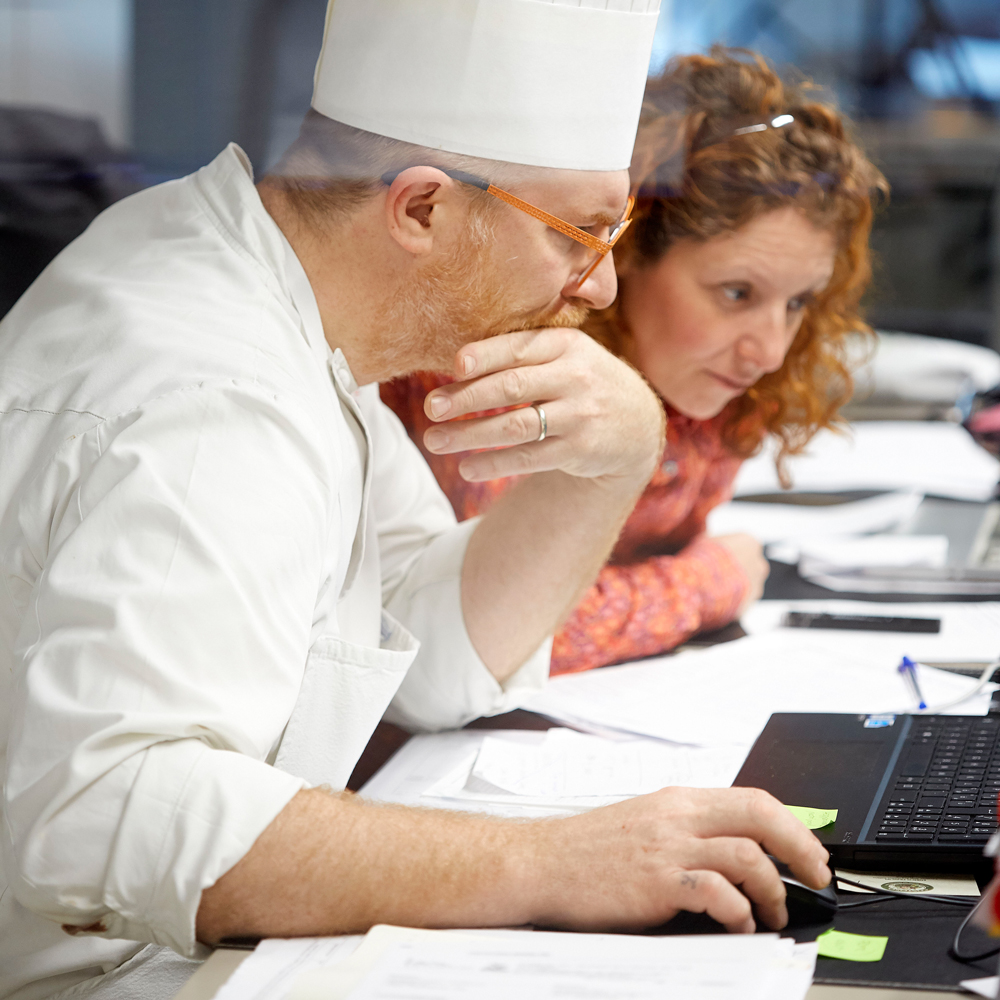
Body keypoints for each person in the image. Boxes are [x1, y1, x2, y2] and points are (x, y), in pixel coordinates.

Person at [0, 9, 830, 999]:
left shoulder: (280, 295)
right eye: (582, 230)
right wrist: (553, 863)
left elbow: (428, 653)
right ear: (422, 210)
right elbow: (105, 814)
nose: (601, 285)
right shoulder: (212, 400)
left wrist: (608, 462)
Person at [382, 49, 888, 674]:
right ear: (629, 252)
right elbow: (510, 631)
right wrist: (711, 581)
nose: (772, 350)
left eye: (799, 303)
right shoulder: (500, 365)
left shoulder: (713, 385)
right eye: (736, 294)